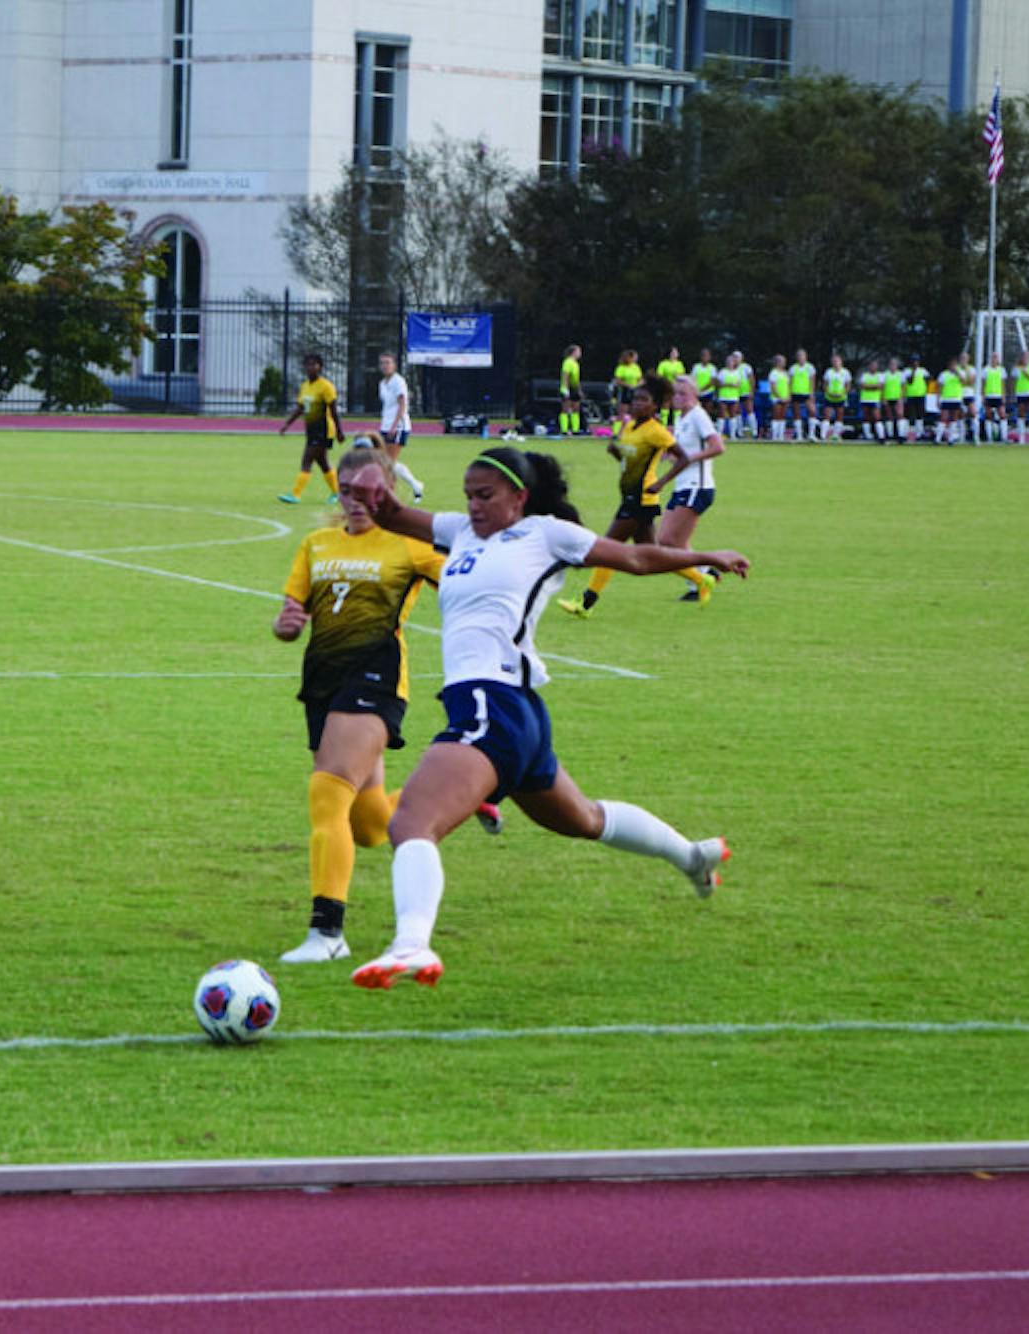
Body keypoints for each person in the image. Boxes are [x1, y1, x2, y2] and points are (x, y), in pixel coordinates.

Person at [337, 446, 746, 989]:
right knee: (583, 819)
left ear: (519, 497)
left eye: (486, 496)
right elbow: (391, 516)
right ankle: (691, 856)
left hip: (493, 703)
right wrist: (372, 489)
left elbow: (636, 559)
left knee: (412, 822)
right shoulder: (460, 532)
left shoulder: (546, 534)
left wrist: (705, 557)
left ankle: (412, 943)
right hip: (518, 713)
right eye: (468, 496)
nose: (474, 506)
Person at [271, 445, 450, 964]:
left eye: (368, 491)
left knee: (326, 795)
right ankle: (463, 796)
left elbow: (469, 581)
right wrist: (284, 626)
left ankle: (328, 933)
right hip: (323, 682)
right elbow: (290, 614)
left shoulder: (411, 546)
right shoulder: (315, 544)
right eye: (347, 491)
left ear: (388, 490)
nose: (356, 501)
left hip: (375, 679)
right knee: (370, 825)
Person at [558, 376, 672, 619]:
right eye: (636, 399)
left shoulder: (657, 432)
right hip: (629, 495)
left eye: (645, 400)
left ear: (656, 405)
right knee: (653, 555)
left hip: (641, 498)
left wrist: (661, 483)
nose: (638, 404)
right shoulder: (629, 426)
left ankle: (586, 603)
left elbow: (682, 457)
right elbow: (628, 459)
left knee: (607, 548)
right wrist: (616, 452)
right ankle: (701, 577)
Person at [654, 375, 727, 605]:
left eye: (683, 393)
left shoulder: (698, 415)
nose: (678, 398)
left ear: (695, 395)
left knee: (667, 542)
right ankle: (705, 574)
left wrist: (690, 458)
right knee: (672, 543)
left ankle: (702, 578)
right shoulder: (682, 418)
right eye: (675, 393)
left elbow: (718, 446)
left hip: (698, 486)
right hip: (683, 486)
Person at [278, 353, 343, 503]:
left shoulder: (326, 386)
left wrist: (339, 431)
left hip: (324, 429)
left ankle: (295, 494)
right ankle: (337, 492)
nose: (310, 367)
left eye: (314, 364)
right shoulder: (305, 386)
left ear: (320, 367)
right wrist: (287, 424)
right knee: (323, 463)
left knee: (307, 460)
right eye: (308, 364)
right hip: (311, 429)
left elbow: (333, 410)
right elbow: (301, 408)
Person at [375, 352, 422, 500]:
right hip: (385, 425)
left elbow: (402, 405)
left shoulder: (398, 382)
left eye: (388, 362)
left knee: (387, 463)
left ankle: (389, 494)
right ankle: (415, 485)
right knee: (385, 461)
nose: (385, 366)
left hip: (398, 427)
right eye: (382, 363)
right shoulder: (382, 383)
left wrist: (394, 426)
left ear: (394, 365)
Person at [819, 352, 850, 441]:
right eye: (834, 361)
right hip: (830, 397)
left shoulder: (845, 372)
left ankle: (836, 435)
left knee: (839, 416)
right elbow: (825, 385)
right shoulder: (829, 372)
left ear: (841, 362)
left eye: (837, 361)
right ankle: (823, 436)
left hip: (841, 397)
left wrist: (843, 393)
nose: (835, 363)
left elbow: (847, 385)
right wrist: (829, 392)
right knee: (827, 416)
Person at [611, 349, 644, 430]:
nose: (636, 358)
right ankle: (616, 432)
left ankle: (631, 430)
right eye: (634, 357)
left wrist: (637, 385)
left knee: (634, 412)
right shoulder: (621, 368)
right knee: (621, 413)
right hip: (624, 391)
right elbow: (618, 380)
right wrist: (628, 385)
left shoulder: (636, 367)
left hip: (634, 391)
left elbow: (640, 379)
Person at [788, 349, 817, 441]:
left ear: (806, 356)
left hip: (806, 393)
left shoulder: (810, 368)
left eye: (802, 355)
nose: (801, 358)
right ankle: (799, 435)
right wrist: (789, 393)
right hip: (795, 393)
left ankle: (811, 434)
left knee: (812, 411)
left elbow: (812, 381)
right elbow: (790, 382)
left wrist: (811, 393)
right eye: (799, 356)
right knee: (796, 413)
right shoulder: (793, 368)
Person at [937, 356, 966, 445]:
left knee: (954, 418)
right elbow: (939, 388)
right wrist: (938, 399)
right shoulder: (943, 375)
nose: (953, 366)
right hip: (946, 399)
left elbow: (964, 382)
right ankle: (937, 438)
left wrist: (957, 373)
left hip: (956, 399)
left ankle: (950, 439)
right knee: (943, 418)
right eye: (952, 365)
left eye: (955, 365)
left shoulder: (960, 373)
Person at [558, 344, 584, 437]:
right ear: (573, 352)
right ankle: (564, 430)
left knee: (576, 408)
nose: (580, 354)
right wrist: (565, 388)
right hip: (568, 388)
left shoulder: (575, 363)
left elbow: (576, 379)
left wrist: (579, 390)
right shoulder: (567, 362)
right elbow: (566, 375)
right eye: (578, 351)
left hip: (574, 388)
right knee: (565, 408)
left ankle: (575, 429)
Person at [856, 358, 885, 441]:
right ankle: (867, 436)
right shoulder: (864, 375)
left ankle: (881, 436)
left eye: (875, 366)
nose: (873, 367)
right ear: (869, 367)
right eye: (871, 365)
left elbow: (880, 386)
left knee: (877, 417)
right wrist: (874, 386)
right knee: (866, 417)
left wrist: (868, 386)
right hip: (865, 399)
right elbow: (862, 386)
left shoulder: (880, 375)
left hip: (875, 399)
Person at [765, 353, 790, 440]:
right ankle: (775, 436)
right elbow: (773, 387)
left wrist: (788, 396)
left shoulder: (785, 373)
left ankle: (781, 435)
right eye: (781, 361)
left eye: (783, 361)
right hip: (776, 398)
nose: (783, 363)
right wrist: (780, 397)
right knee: (776, 416)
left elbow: (788, 385)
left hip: (785, 397)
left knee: (783, 416)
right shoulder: (773, 373)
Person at [882, 355, 907, 442]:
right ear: (889, 365)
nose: (893, 366)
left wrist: (902, 397)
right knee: (889, 416)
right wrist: (883, 398)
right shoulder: (885, 374)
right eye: (891, 364)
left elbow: (903, 387)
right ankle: (890, 435)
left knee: (900, 415)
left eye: (894, 364)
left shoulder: (900, 374)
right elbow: (883, 387)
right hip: (888, 397)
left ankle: (901, 435)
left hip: (897, 398)